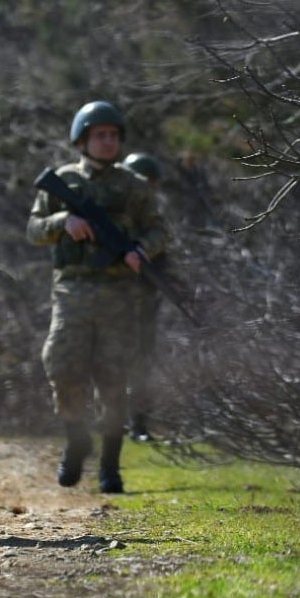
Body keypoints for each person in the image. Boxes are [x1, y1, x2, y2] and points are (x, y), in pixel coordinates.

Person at [26, 101, 167, 494]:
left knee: (113, 378)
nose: (108, 142)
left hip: (119, 293)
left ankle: (110, 466)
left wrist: (141, 250)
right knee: (62, 365)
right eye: (99, 135)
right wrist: (63, 222)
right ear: (83, 140)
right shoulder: (64, 180)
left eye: (113, 135)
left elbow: (160, 231)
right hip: (72, 289)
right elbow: (34, 229)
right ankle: (76, 439)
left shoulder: (133, 186)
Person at [120, 151, 166, 442]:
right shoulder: (116, 216)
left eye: (149, 182)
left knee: (142, 363)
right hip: (112, 300)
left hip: (145, 301)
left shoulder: (153, 220)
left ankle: (138, 422)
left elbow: (164, 253)